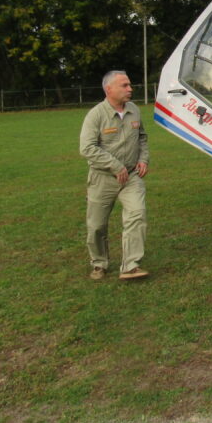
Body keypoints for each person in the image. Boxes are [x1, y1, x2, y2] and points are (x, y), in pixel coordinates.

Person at [80, 70, 150, 279]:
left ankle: (130, 265)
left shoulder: (134, 110)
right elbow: (87, 148)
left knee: (137, 214)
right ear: (108, 89)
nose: (130, 89)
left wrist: (143, 159)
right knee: (96, 225)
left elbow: (142, 137)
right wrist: (115, 166)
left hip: (131, 176)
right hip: (102, 178)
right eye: (124, 85)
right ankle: (99, 263)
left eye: (129, 85)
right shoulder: (96, 115)